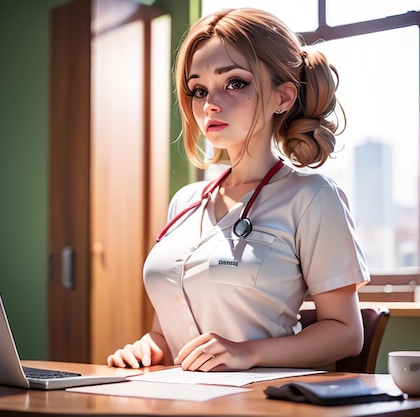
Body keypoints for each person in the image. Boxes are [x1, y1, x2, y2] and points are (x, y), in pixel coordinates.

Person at [107, 7, 370, 372]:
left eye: (235, 82)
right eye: (198, 89)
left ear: (283, 97)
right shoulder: (185, 202)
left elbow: (345, 333)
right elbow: (168, 332)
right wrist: (149, 347)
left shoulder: (312, 197)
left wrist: (249, 353)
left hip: (263, 400)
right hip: (181, 397)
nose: (210, 103)